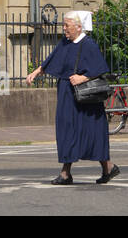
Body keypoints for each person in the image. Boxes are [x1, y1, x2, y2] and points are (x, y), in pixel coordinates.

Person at [26, 10, 119, 185]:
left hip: (86, 98)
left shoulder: (88, 44)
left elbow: (99, 68)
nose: (64, 29)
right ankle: (67, 172)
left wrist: (83, 77)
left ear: (78, 27)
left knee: (91, 132)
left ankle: (106, 166)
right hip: (67, 95)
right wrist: (36, 72)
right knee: (67, 129)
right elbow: (52, 60)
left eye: (66, 25)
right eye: (63, 25)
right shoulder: (65, 43)